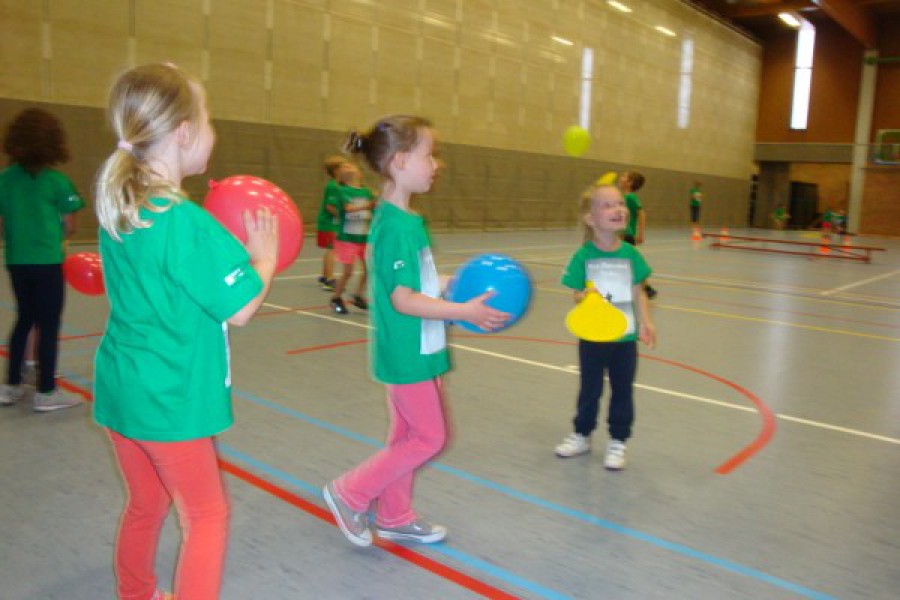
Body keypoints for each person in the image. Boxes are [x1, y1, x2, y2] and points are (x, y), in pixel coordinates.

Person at [92, 63, 279, 600]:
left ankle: (136, 593)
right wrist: (265, 259)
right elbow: (240, 307)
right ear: (184, 132)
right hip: (168, 396)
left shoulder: (122, 207)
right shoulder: (183, 219)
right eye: (209, 118)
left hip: (123, 386)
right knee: (207, 515)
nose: (213, 131)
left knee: (147, 504)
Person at [323, 115, 509, 547]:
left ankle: (394, 514)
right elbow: (402, 300)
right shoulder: (395, 226)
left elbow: (411, 285)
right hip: (408, 352)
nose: (436, 164)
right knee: (430, 436)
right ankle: (349, 492)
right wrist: (462, 309)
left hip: (420, 347)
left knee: (406, 437)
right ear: (402, 161)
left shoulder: (404, 220)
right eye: (430, 154)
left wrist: (451, 285)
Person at [555, 183, 656, 470]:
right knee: (590, 389)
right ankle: (582, 435)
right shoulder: (583, 256)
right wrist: (582, 295)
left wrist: (646, 322)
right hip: (593, 337)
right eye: (608, 205)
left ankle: (618, 441)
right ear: (590, 218)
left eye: (621, 203)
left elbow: (639, 290)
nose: (619, 209)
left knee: (623, 390)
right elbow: (575, 292)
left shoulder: (631, 254)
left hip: (624, 339)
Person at [0, 107, 85, 411]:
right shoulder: (58, 182)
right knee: (48, 324)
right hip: (47, 261)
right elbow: (70, 225)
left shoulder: (5, 180)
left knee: (24, 318)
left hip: (17, 260)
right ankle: (46, 391)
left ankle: (11, 385)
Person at [330, 162, 376, 315]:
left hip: (363, 238)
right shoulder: (341, 190)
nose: (348, 167)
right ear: (340, 175)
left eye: (351, 165)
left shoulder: (367, 192)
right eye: (344, 167)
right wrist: (368, 206)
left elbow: (373, 211)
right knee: (348, 272)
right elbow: (348, 208)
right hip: (347, 238)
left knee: (369, 269)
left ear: (358, 172)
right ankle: (336, 298)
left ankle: (358, 295)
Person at [619, 171, 657, 299]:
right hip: (622, 234)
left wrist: (641, 234)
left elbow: (641, 213)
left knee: (629, 262)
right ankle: (646, 288)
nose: (621, 177)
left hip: (626, 235)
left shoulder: (630, 197)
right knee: (630, 262)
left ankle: (646, 288)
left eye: (624, 176)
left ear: (630, 183)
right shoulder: (625, 197)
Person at [316, 155, 349, 291]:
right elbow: (330, 207)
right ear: (336, 171)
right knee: (333, 250)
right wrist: (343, 218)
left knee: (331, 250)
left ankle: (324, 276)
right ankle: (329, 279)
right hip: (329, 224)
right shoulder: (334, 186)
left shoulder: (339, 185)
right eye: (344, 167)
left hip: (331, 224)